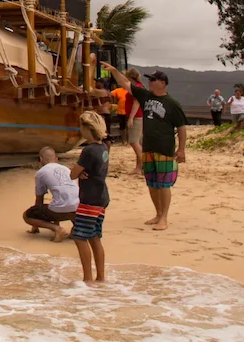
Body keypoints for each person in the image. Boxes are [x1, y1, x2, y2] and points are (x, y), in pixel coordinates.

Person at [102, 64, 186, 231]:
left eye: (153, 80)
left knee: (163, 185)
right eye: (149, 79)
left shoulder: (172, 103)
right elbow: (126, 83)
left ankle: (164, 217)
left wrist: (181, 149)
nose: (150, 82)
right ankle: (158, 213)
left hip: (165, 148)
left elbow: (182, 128)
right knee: (152, 183)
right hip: (148, 147)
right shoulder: (145, 96)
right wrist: (113, 71)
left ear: (163, 83)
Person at [69, 111, 111, 285]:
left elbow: (72, 174)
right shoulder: (103, 148)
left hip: (90, 198)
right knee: (94, 236)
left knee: (79, 236)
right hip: (101, 196)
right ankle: (100, 277)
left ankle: (87, 278)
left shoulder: (89, 150)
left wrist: (78, 171)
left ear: (88, 128)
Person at [22, 147, 78, 242]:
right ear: (56, 159)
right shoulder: (66, 169)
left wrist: (35, 227)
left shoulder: (41, 172)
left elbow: (39, 200)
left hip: (61, 209)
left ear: (41, 160)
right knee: (62, 200)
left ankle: (57, 229)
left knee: (27, 215)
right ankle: (76, 229)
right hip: (79, 209)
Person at [125, 68, 145, 171]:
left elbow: (136, 103)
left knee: (134, 141)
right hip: (137, 116)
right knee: (138, 142)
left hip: (136, 116)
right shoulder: (136, 87)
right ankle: (139, 167)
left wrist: (131, 118)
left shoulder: (137, 88)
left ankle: (145, 165)